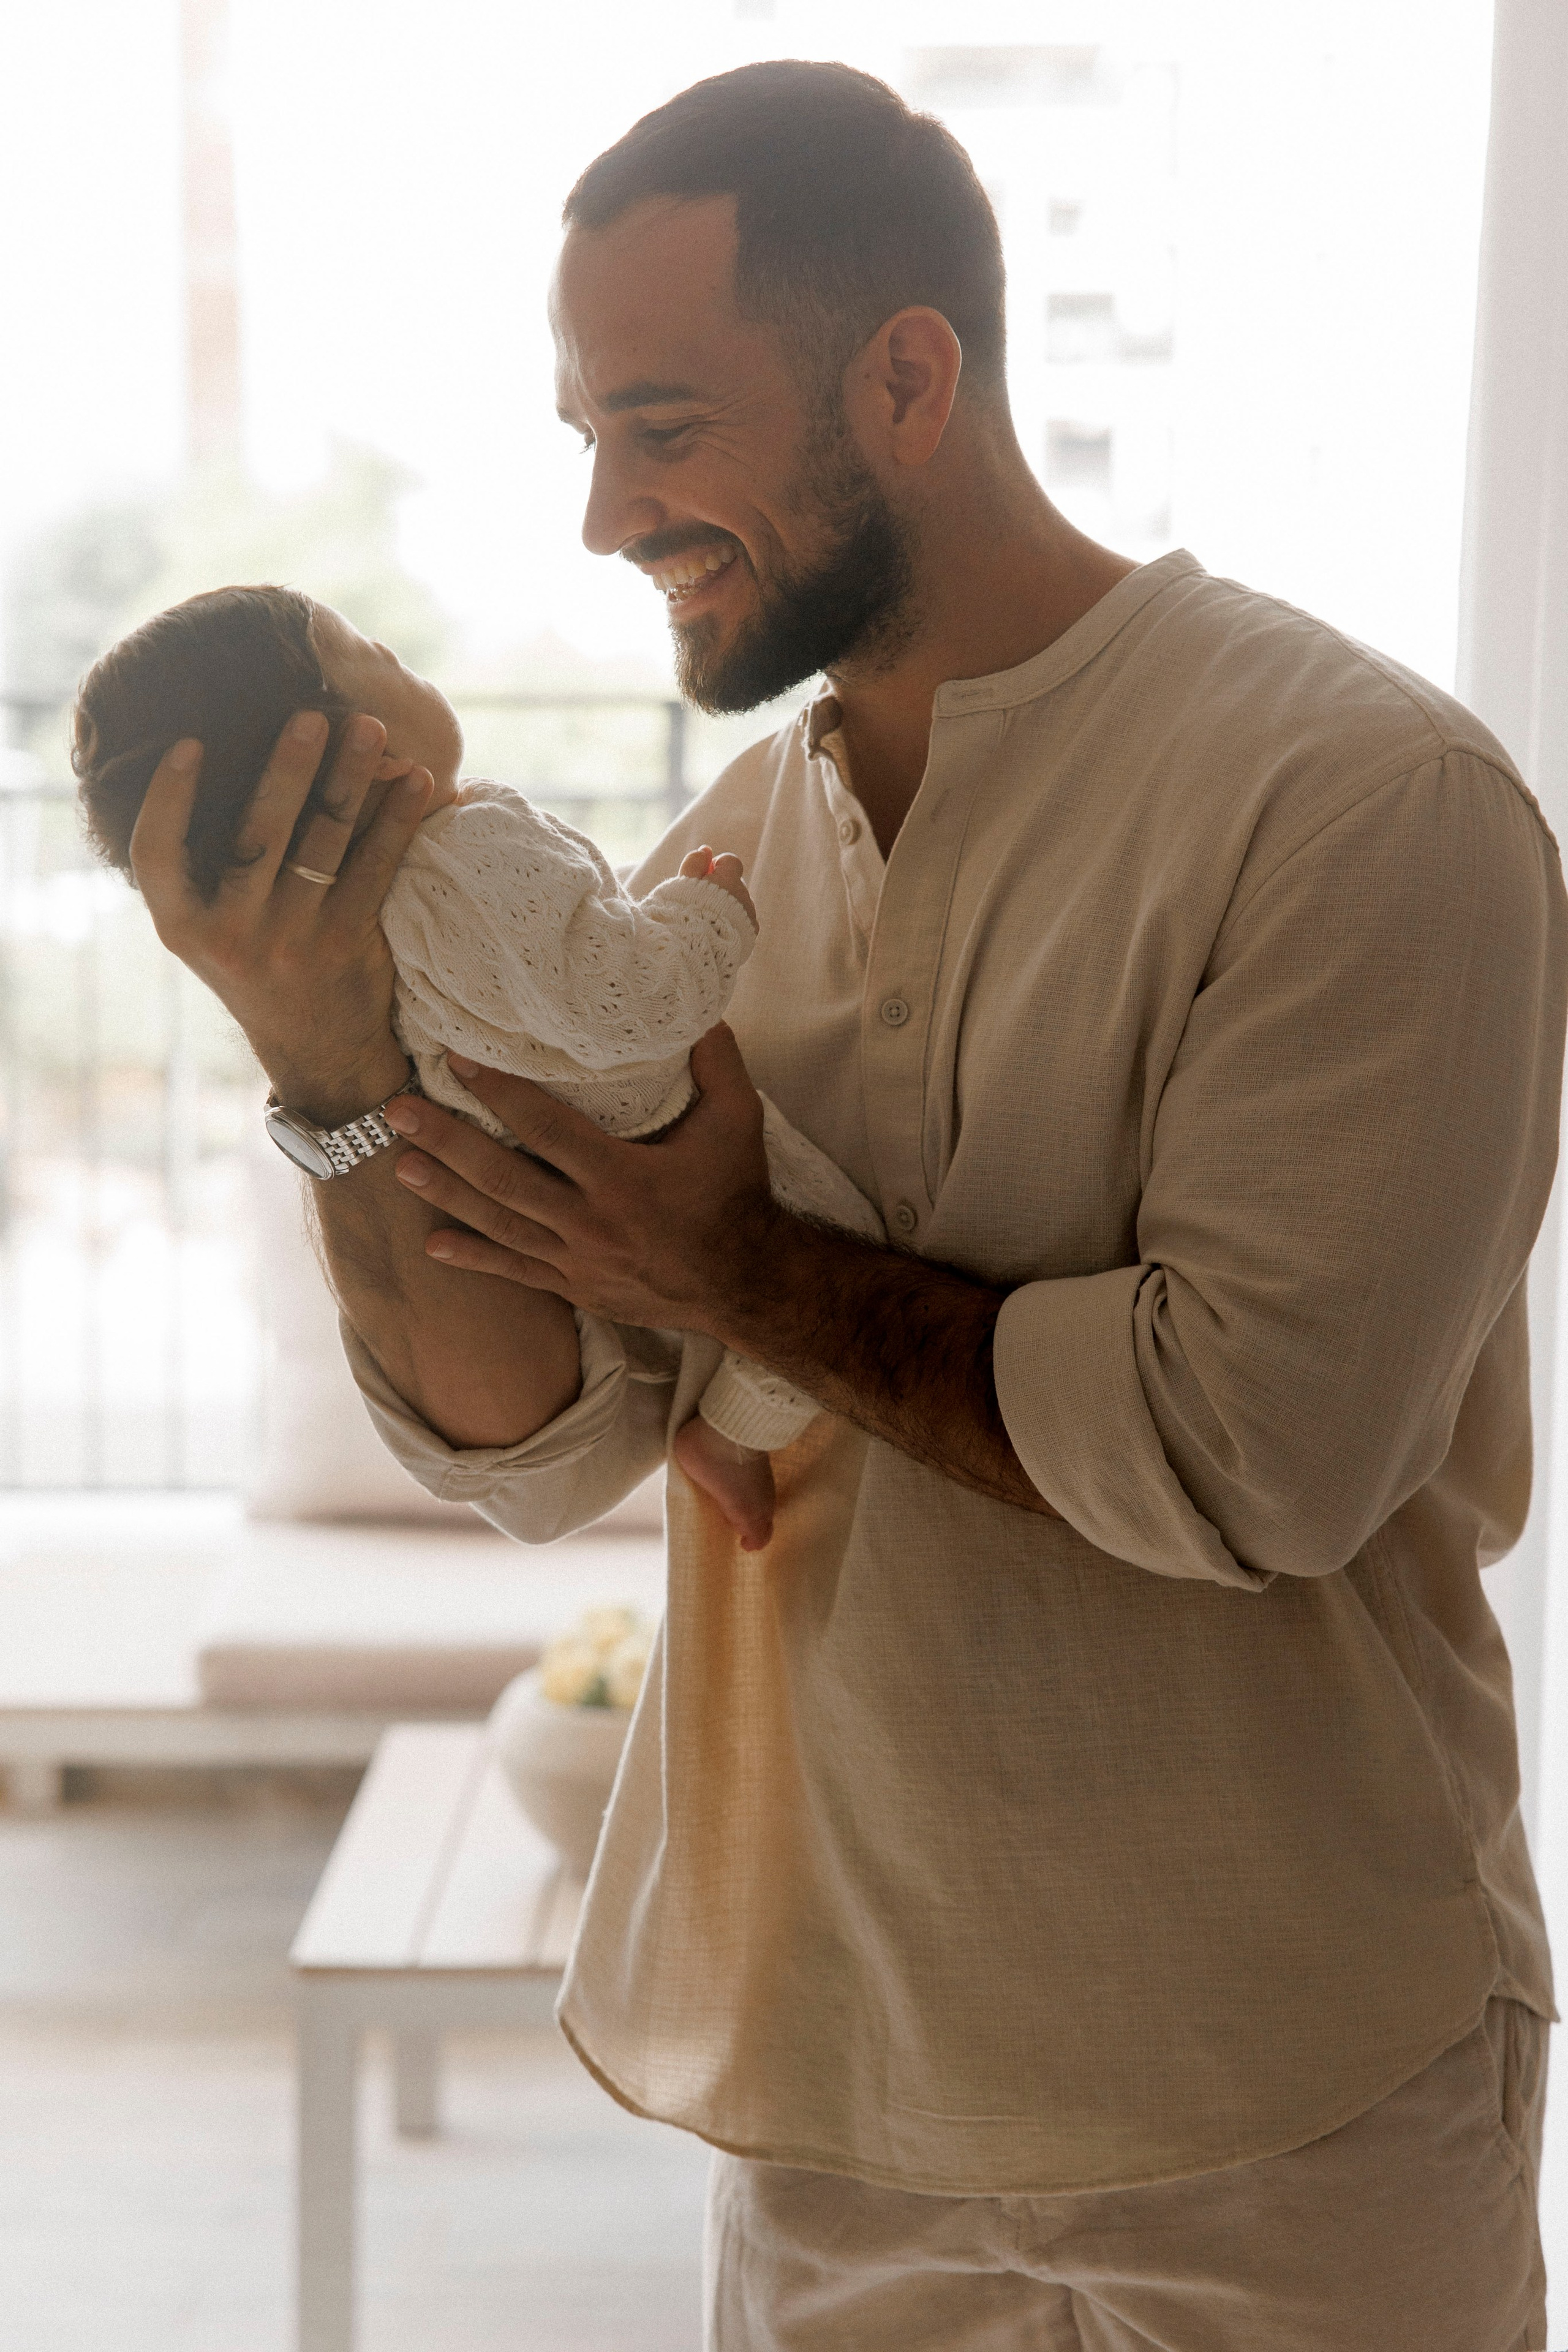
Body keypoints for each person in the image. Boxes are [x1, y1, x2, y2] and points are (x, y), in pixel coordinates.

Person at [129, 58, 1564, 2352]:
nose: (605, 511)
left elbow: (1256, 1456)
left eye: (664, 423)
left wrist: (737, 1269)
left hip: (1293, 2096)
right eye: (585, 432)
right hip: (833, 2110)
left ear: (910, 378)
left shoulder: (1364, 803)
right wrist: (327, 1064)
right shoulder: (709, 861)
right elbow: (543, 1442)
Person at [72, 582, 882, 1550]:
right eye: (372, 643)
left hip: (564, 1225)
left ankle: (727, 1430)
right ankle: (733, 1434)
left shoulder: (365, 945)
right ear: (354, 743)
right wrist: (706, 918)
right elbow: (629, 998)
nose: (403, 651)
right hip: (653, 1131)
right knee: (836, 1260)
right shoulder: (476, 849)